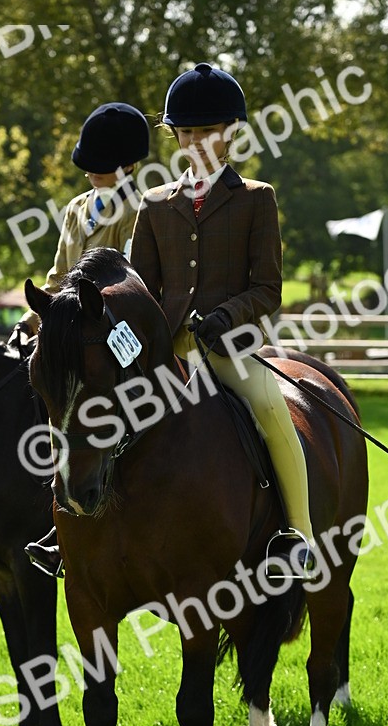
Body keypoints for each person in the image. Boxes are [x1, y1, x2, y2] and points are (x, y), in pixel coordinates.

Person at [130, 62, 317, 578]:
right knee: (100, 412)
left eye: (206, 132)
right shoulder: (153, 204)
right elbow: (140, 290)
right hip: (167, 349)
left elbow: (268, 289)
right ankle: (71, 528)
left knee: (269, 406)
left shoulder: (256, 199)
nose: (195, 142)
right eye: (185, 132)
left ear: (230, 133)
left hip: (228, 348)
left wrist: (224, 316)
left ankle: (297, 535)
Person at [18, 101, 150, 575]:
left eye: (103, 166)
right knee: (43, 385)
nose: (93, 174)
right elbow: (56, 276)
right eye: (89, 165)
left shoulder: (141, 207)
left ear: (129, 164)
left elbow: (133, 278)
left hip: (116, 331)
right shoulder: (76, 208)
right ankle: (60, 518)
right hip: (69, 334)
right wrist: (33, 324)